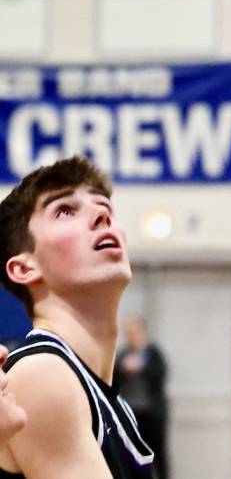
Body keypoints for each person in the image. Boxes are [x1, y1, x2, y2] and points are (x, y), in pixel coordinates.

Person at [0, 157, 154, 478]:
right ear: (24, 267)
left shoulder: (112, 403)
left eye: (105, 207)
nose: (102, 216)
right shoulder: (41, 374)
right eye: (65, 211)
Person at [113, 317, 169, 479]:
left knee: (158, 452)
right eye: (128, 333)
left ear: (142, 332)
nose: (132, 336)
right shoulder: (123, 354)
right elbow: (113, 378)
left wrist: (141, 368)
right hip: (132, 413)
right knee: (134, 453)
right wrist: (124, 368)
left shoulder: (153, 353)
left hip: (151, 413)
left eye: (135, 332)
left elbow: (160, 373)